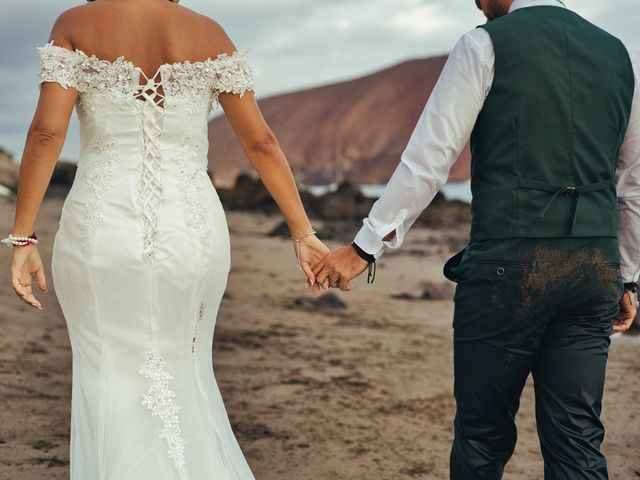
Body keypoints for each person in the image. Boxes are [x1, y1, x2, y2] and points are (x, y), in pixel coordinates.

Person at [312, 0, 639, 478]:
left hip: (508, 269)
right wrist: (626, 276)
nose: (476, 2)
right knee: (577, 441)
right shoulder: (618, 55)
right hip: (593, 270)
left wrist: (365, 247)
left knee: (483, 439)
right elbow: (631, 182)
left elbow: (429, 159)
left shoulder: (484, 43)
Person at [3, 0, 328, 478]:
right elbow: (261, 142)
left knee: (109, 375)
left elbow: (47, 133)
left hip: (101, 232)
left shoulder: (75, 23)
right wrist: (303, 232)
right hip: (192, 231)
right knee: (186, 370)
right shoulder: (210, 34)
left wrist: (23, 237)